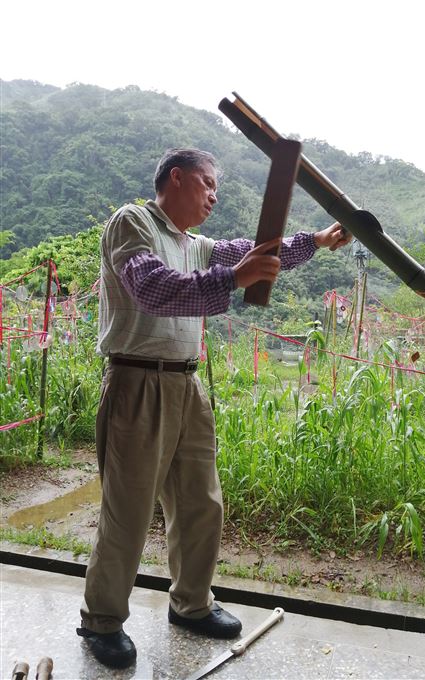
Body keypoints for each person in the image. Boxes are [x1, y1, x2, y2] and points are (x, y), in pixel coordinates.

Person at [77, 148, 352, 669]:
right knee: (128, 513)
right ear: (175, 178)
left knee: (201, 502)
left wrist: (314, 242)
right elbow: (152, 288)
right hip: (137, 380)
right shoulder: (132, 223)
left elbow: (253, 251)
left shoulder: (196, 246)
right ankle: (102, 621)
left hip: (187, 384)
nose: (213, 195)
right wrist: (233, 280)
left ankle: (192, 604)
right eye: (206, 183)